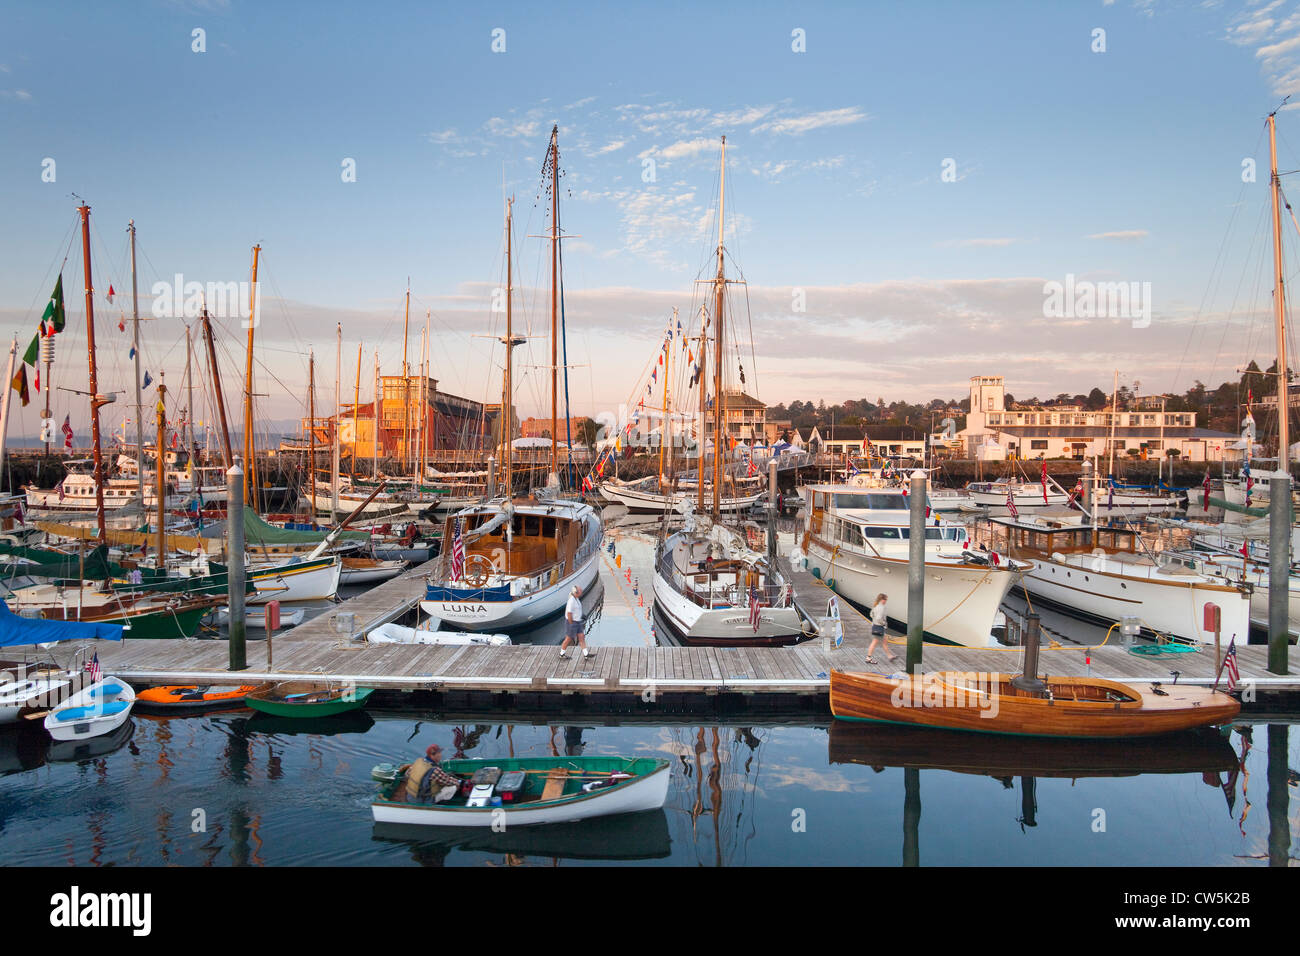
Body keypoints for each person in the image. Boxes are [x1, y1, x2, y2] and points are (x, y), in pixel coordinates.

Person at [559, 583, 592, 658]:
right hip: (572, 622)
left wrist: (582, 615)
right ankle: (562, 653)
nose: (582, 591)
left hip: (578, 622)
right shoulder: (571, 601)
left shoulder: (576, 599)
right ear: (576, 592)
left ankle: (586, 654)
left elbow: (577, 610)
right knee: (568, 639)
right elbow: (569, 613)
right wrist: (571, 624)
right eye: (580, 590)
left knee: (581, 637)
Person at [866, 593, 898, 665]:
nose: (886, 601)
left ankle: (890, 656)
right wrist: (883, 623)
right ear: (882, 599)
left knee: (884, 642)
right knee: (874, 643)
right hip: (879, 627)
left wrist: (875, 621)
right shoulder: (881, 607)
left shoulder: (876, 606)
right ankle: (868, 658)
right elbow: (878, 618)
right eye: (885, 599)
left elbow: (871, 614)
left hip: (875, 626)